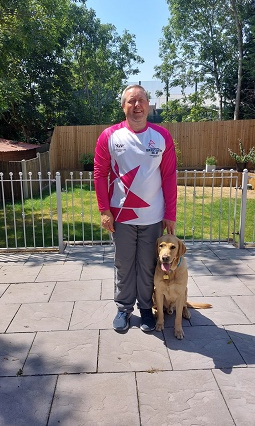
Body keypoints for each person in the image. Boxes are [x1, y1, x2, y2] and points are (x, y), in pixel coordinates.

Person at [94, 84, 177, 333]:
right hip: (121, 216)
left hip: (153, 217)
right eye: (131, 101)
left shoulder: (162, 136)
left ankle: (145, 309)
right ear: (123, 106)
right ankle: (123, 308)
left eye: (141, 100)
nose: (137, 105)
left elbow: (170, 176)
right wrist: (104, 210)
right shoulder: (109, 136)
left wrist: (170, 214)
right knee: (124, 263)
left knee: (147, 265)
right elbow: (99, 175)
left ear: (149, 105)